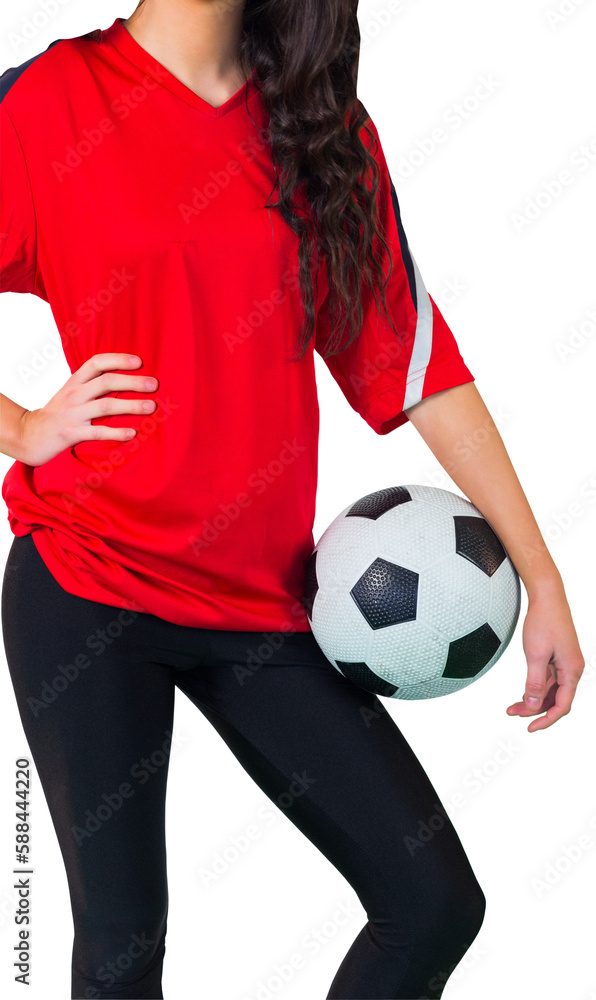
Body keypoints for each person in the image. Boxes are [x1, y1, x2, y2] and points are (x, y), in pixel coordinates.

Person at [0, 1, 584, 998]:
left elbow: (417, 369)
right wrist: (23, 427)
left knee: (431, 901)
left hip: (263, 605)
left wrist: (541, 577)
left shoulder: (320, 128)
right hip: (91, 578)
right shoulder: (50, 101)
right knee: (121, 949)